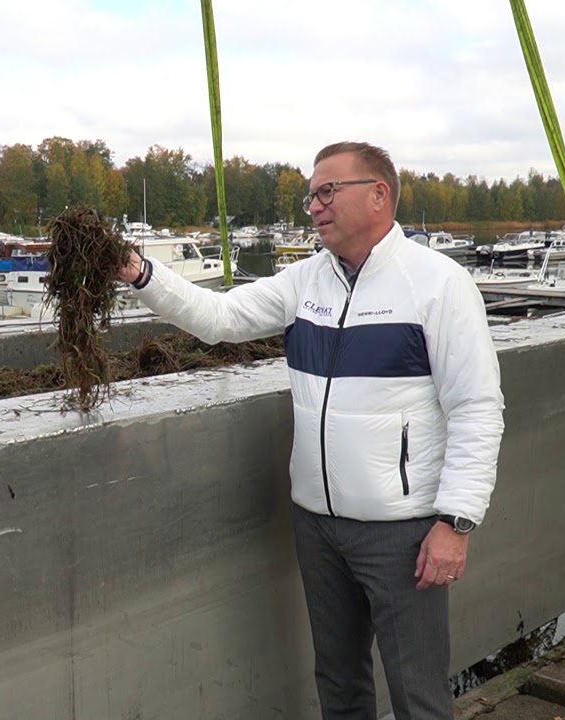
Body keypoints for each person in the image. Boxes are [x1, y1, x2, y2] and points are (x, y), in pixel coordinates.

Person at [118, 141, 504, 719]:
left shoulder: (437, 285)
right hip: (318, 526)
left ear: (379, 195)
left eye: (328, 192)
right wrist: (140, 273)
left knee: (417, 693)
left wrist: (456, 522)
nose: (316, 206)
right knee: (339, 683)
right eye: (311, 196)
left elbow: (477, 407)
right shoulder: (304, 282)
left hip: (402, 531)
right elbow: (220, 318)